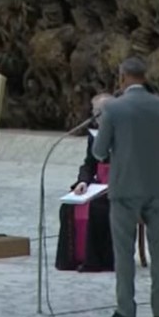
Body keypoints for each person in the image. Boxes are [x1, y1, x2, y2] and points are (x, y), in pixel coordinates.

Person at [93, 56, 159, 317]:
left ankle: (126, 310)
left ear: (122, 78)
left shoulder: (114, 109)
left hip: (124, 186)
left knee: (123, 251)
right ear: (145, 77)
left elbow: (99, 151)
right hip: (157, 186)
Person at [55, 93, 116, 272]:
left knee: (97, 207)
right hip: (97, 184)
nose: (95, 116)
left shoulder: (125, 133)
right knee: (69, 205)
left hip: (118, 184)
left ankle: (96, 260)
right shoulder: (94, 135)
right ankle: (70, 259)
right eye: (94, 111)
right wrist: (83, 182)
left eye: (99, 112)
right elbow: (89, 164)